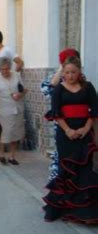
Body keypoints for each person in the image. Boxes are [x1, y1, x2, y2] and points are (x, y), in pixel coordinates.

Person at [43, 56, 98, 224]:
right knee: (66, 169)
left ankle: (85, 213)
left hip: (85, 133)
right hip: (65, 135)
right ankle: (63, 209)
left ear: (79, 71)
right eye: (67, 72)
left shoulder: (88, 87)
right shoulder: (59, 89)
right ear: (63, 73)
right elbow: (56, 113)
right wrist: (67, 130)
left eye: (73, 72)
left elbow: (94, 111)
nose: (70, 75)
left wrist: (85, 129)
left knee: (85, 169)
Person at [41, 48, 81, 182]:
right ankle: (59, 188)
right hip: (63, 126)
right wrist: (60, 70)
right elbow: (47, 90)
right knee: (61, 158)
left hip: (81, 126)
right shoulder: (57, 79)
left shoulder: (81, 79)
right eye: (65, 66)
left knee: (79, 158)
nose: (70, 74)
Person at [0, 57, 26, 165]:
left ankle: (11, 156)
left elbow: (23, 89)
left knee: (17, 132)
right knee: (7, 131)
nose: (4, 71)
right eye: (1, 69)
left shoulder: (16, 75)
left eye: (6, 69)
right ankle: (0, 153)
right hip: (4, 109)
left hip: (18, 107)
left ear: (10, 67)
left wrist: (20, 94)